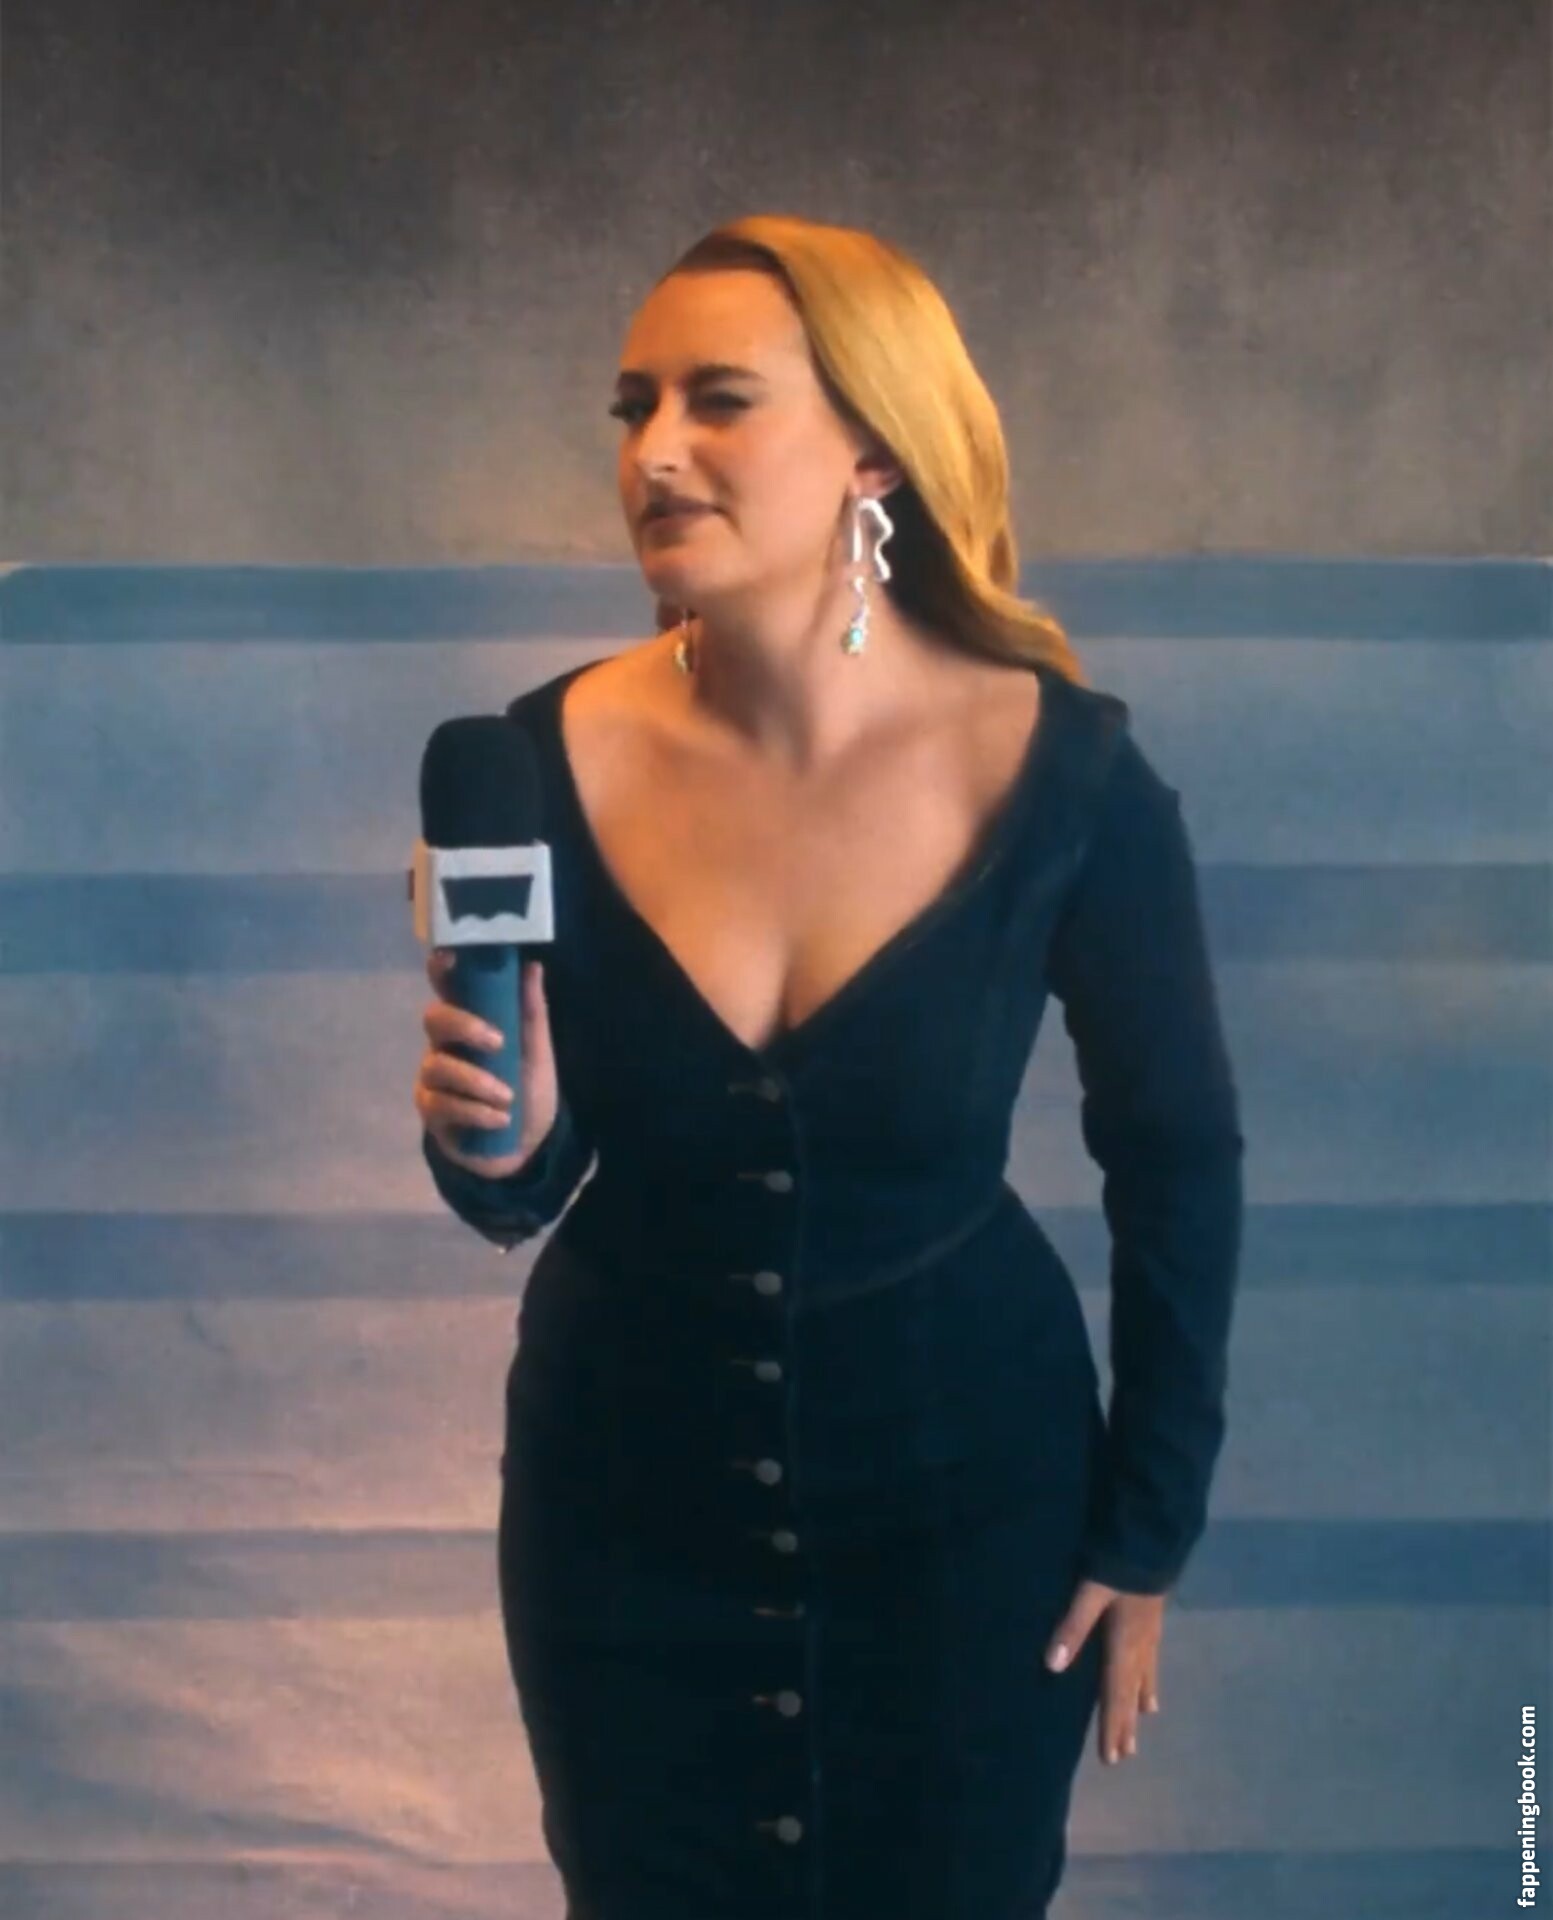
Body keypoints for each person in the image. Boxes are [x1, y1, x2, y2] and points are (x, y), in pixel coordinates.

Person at [414, 214, 1245, 1919]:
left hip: (973, 1507)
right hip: (617, 1510)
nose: (653, 452)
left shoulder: (1070, 777)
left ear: (874, 444)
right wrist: (505, 1142)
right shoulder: (525, 760)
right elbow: (513, 1192)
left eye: (718, 400)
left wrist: (1146, 1525)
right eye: (632, 407)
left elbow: (1177, 1162)